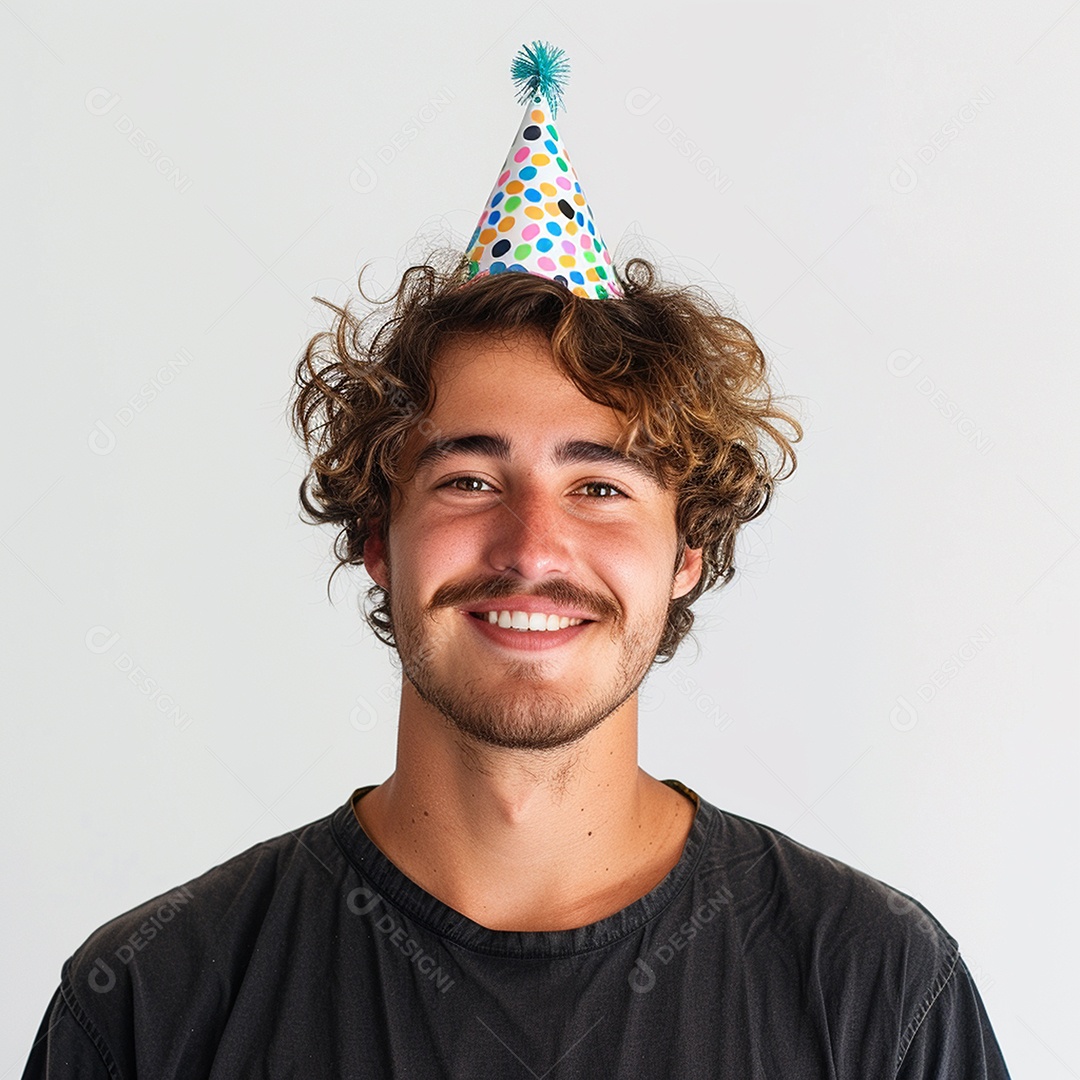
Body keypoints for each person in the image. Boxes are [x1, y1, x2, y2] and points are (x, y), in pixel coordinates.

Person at [21, 43, 1011, 1079]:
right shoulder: (155, 1002)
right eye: (467, 481)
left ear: (689, 551)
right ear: (374, 537)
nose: (533, 546)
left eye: (600, 487)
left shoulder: (879, 990)